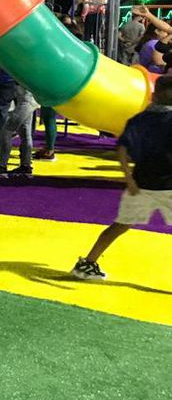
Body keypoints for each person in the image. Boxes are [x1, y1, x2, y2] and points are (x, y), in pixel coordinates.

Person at [72, 76, 172, 280]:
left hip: (142, 182)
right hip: (162, 184)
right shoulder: (158, 120)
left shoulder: (139, 119)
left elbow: (122, 149)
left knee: (120, 225)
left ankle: (88, 263)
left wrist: (129, 179)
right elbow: (123, 149)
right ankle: (88, 263)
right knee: (121, 225)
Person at [0, 84, 38, 179]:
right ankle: (25, 166)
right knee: (25, 132)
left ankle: (2, 166)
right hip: (27, 100)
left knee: (7, 130)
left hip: (26, 101)